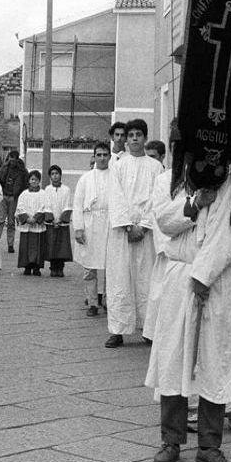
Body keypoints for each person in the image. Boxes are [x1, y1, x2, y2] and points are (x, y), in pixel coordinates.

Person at [145, 166, 231, 462]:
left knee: (216, 361)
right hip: (180, 278)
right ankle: (171, 440)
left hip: (218, 281)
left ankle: (210, 445)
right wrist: (195, 203)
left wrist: (211, 269)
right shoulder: (169, 180)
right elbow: (164, 221)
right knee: (174, 358)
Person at [104, 119, 163, 348]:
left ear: (145, 138)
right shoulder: (117, 165)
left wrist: (145, 224)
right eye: (131, 135)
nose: (135, 138)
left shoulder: (155, 167)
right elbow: (115, 197)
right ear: (126, 140)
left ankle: (148, 330)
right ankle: (117, 330)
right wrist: (128, 225)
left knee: (146, 279)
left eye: (139, 134)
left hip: (146, 233)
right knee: (120, 279)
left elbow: (157, 198)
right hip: (122, 232)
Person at [73, 143, 112, 317]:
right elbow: (78, 204)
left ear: (110, 156)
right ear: (94, 157)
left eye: (105, 154)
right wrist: (79, 228)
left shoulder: (115, 177)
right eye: (99, 155)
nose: (102, 158)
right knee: (89, 267)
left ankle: (109, 301)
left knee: (110, 266)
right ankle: (92, 301)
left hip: (108, 224)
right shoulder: (86, 178)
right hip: (90, 224)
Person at [14, 170, 50, 276]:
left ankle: (36, 267)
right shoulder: (24, 194)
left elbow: (45, 206)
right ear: (29, 180)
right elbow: (20, 207)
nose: (34, 181)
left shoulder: (43, 194)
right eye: (32, 179)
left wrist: (36, 217)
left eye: (36, 179)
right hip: (27, 225)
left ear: (39, 181)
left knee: (38, 246)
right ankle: (27, 266)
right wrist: (26, 218)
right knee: (26, 246)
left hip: (37, 224)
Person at [43, 164, 72, 277]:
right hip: (51, 223)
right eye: (52, 174)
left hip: (62, 222)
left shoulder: (66, 190)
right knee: (52, 245)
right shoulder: (48, 189)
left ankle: (60, 268)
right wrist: (51, 219)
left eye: (57, 173)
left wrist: (61, 219)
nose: (55, 176)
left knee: (62, 246)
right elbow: (47, 204)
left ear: (60, 175)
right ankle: (53, 268)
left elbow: (68, 205)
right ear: (50, 176)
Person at [0, 150, 28, 253]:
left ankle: (10, 244)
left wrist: (20, 196)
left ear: (17, 159)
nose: (12, 161)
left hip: (14, 197)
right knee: (0, 220)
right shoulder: (4, 167)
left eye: (14, 159)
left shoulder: (22, 170)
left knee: (11, 222)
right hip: (3, 196)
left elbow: (25, 183)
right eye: (10, 159)